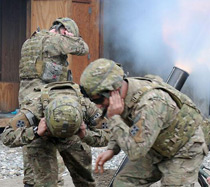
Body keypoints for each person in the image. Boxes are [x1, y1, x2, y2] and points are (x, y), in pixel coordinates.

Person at [80, 58, 209, 186]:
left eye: (98, 101)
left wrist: (113, 117)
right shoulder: (124, 92)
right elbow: (126, 124)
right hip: (156, 144)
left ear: (113, 91)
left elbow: (135, 152)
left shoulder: (150, 104)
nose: (98, 106)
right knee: (123, 183)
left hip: (184, 150)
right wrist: (112, 149)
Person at [18, 17, 89, 187]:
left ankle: (30, 181)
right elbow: (83, 48)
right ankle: (53, 181)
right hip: (43, 97)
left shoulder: (30, 41)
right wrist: (70, 36)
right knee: (54, 137)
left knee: (31, 139)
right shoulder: (56, 40)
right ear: (64, 30)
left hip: (25, 96)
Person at [2, 81, 110, 187]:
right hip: (43, 136)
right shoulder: (34, 109)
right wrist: (35, 132)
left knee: (85, 180)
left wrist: (85, 134)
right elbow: (6, 137)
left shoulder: (86, 107)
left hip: (75, 136)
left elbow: (108, 135)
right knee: (44, 183)